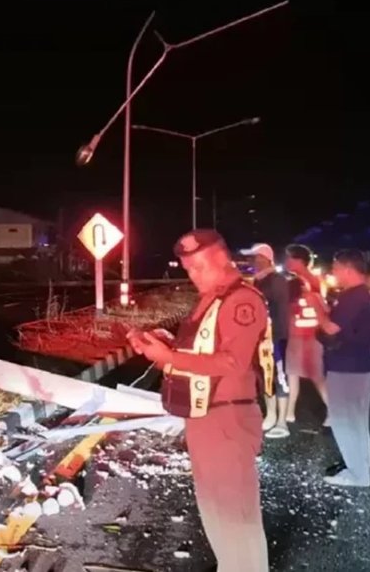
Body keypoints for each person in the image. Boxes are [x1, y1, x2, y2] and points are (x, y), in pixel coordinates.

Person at [126, 229, 271, 572]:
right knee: (214, 508)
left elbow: (232, 362)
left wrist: (170, 359)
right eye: (188, 269)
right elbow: (203, 350)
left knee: (236, 516)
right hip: (205, 418)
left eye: (199, 268)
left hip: (228, 419)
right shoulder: (213, 299)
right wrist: (164, 346)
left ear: (222, 260)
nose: (193, 276)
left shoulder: (241, 301)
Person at [318, 249, 370, 487]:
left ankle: (358, 474)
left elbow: (331, 328)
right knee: (357, 419)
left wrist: (317, 308)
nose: (333, 273)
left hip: (347, 367)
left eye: (335, 268)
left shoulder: (353, 296)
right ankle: (362, 461)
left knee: (344, 420)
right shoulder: (363, 294)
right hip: (359, 365)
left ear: (347, 269)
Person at [283, 243, 330, 425]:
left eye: (289, 258)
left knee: (297, 373)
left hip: (299, 334)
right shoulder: (317, 281)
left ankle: (290, 413)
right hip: (313, 334)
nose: (287, 262)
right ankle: (290, 411)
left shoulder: (295, 283)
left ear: (299, 260)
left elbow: (287, 307)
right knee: (311, 374)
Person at [248, 243, 291, 438]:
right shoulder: (259, 280)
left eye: (258, 257)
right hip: (262, 337)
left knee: (279, 378)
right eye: (253, 258)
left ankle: (282, 421)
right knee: (265, 377)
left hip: (276, 336)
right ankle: (271, 415)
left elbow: (275, 309)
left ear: (267, 259)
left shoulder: (276, 280)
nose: (254, 261)